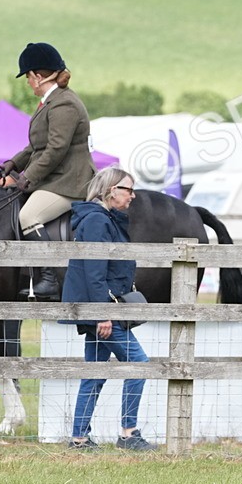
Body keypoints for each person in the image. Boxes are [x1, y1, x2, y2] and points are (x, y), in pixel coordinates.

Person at [61, 167, 156, 451]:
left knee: (95, 373)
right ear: (111, 189)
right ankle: (129, 433)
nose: (132, 195)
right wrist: (103, 313)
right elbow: (94, 270)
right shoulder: (97, 221)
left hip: (103, 310)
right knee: (139, 365)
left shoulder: (100, 220)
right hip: (104, 312)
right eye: (128, 189)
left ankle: (79, 439)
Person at [0, 43, 95, 300]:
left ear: (39, 77)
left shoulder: (65, 104)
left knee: (28, 216)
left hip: (70, 182)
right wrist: (14, 164)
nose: (28, 83)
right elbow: (36, 146)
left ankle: (49, 279)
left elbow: (56, 149)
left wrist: (28, 177)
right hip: (55, 178)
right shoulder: (50, 101)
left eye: (28, 77)